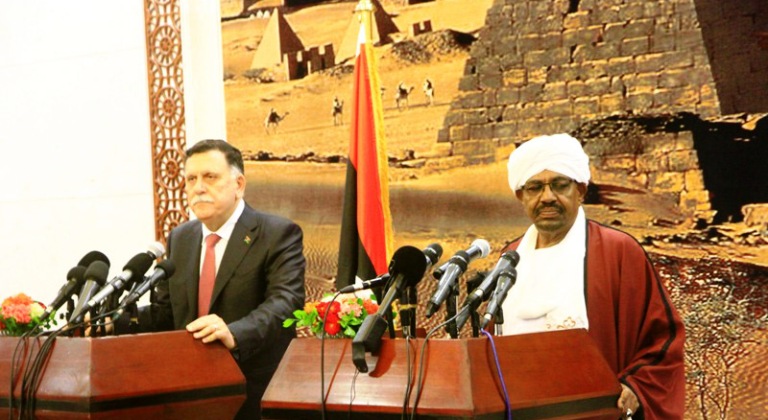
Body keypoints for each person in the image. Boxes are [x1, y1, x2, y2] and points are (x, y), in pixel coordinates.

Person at [499, 133, 685, 419]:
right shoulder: (510, 258)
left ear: (581, 190)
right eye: (535, 187)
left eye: (560, 185)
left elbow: (663, 340)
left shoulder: (618, 252)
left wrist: (635, 387)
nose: (547, 197)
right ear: (521, 196)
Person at [123, 139, 306, 419]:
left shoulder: (277, 233)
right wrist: (114, 321)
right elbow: (166, 313)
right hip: (192, 394)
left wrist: (234, 332)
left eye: (210, 177)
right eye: (191, 179)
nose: (198, 188)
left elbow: (285, 304)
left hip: (255, 393)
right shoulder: (180, 238)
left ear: (239, 184)